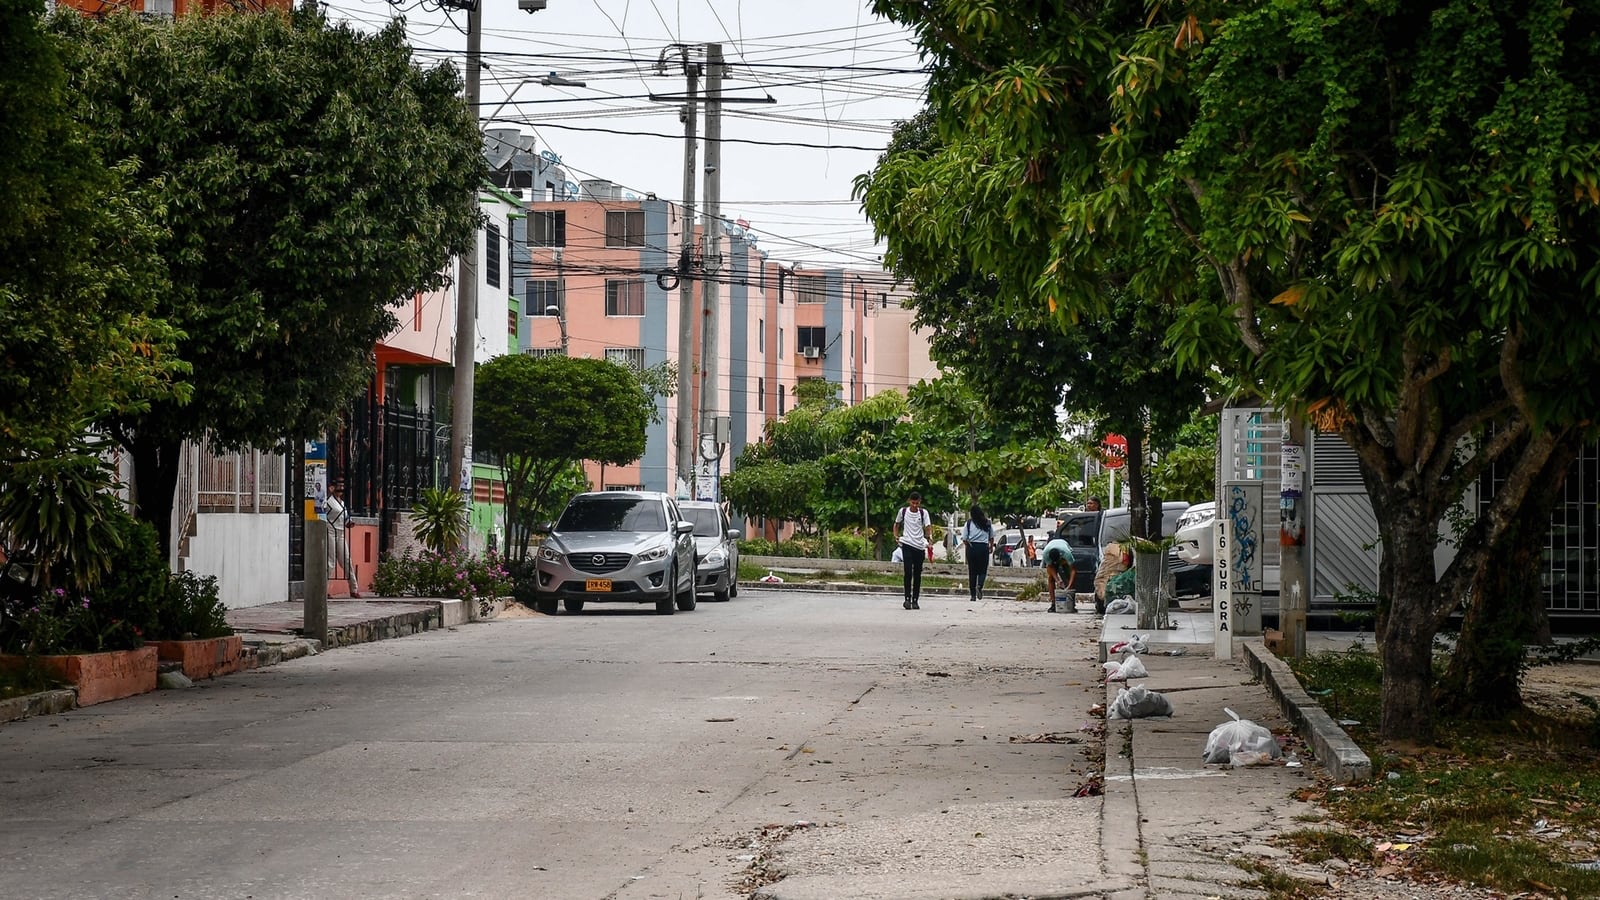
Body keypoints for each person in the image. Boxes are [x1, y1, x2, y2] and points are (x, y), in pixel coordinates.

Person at [893, 491, 932, 609]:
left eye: (917, 503)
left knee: (917, 573)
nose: (915, 505)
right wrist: (896, 535)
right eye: (913, 503)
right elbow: (896, 524)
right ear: (909, 501)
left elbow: (928, 527)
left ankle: (915, 599)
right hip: (907, 544)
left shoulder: (923, 513)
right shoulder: (903, 511)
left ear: (920, 502)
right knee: (908, 572)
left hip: (919, 545)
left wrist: (929, 538)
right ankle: (907, 599)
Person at [325, 481, 360, 598]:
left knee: (346, 560)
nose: (340, 490)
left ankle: (353, 588)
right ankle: (323, 590)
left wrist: (349, 523)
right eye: (338, 487)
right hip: (330, 531)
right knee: (330, 562)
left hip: (341, 532)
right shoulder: (328, 502)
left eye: (342, 487)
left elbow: (345, 518)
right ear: (332, 488)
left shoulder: (342, 503)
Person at [961, 504, 995, 602]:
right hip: (983, 548)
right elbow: (991, 537)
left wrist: (969, 546)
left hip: (972, 548)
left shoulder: (968, 523)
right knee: (982, 570)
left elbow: (964, 539)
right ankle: (979, 586)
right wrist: (990, 547)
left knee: (972, 572)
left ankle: (972, 595)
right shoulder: (987, 523)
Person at [1041, 529, 1076, 612]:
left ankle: (1071, 603)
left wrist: (1069, 586)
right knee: (1050, 579)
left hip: (1063, 550)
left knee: (1069, 577)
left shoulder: (1066, 553)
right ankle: (1053, 603)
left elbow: (1073, 571)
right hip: (1052, 550)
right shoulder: (1046, 554)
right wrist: (1057, 580)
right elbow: (1050, 567)